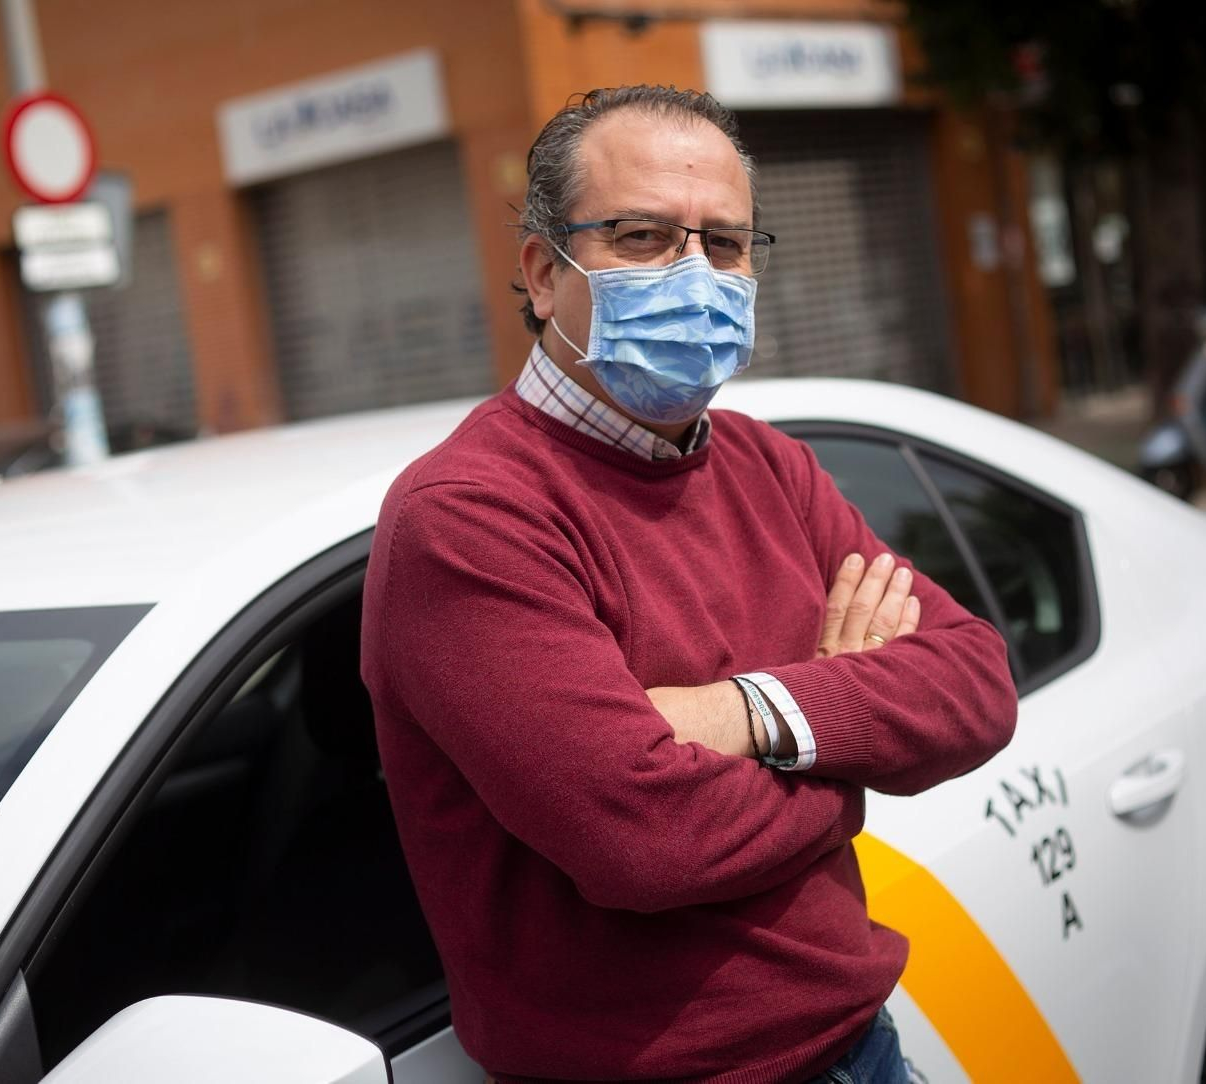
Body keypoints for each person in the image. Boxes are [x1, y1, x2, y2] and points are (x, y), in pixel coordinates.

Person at [359, 85, 1017, 1084]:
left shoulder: (769, 466)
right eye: (643, 237)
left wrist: (746, 712)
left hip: (863, 1045)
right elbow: (646, 843)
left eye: (726, 244)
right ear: (543, 272)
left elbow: (974, 683)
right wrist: (848, 746)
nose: (696, 275)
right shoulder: (469, 515)